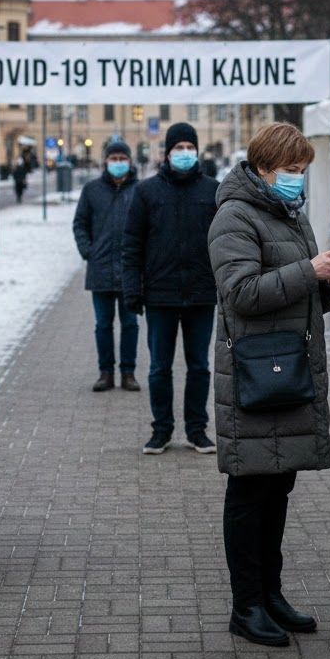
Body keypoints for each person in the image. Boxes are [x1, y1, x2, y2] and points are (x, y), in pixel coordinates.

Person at [207, 122, 330, 647]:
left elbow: (301, 295)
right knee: (250, 491)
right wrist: (308, 271)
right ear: (265, 168)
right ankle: (245, 606)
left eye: (303, 171)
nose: (299, 180)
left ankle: (271, 595)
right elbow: (241, 293)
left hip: (287, 368)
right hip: (255, 372)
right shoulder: (234, 216)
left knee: (278, 488)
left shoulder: (288, 215)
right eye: (292, 171)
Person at [122, 122, 219, 455]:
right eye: (178, 148)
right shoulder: (147, 192)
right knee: (159, 367)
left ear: (197, 150)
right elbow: (132, 245)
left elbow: (226, 243)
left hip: (202, 294)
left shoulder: (213, 191)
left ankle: (197, 430)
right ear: (167, 152)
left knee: (200, 366)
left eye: (189, 148)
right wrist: (132, 290)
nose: (184, 154)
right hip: (160, 294)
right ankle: (161, 430)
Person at [73, 141, 141, 392]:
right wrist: (88, 251)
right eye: (113, 157)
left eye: (122, 157)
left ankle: (128, 373)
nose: (118, 161)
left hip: (130, 270)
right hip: (100, 268)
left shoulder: (140, 190)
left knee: (130, 324)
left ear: (130, 161)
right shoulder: (92, 190)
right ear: (105, 161)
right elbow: (80, 223)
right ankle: (106, 373)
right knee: (103, 325)